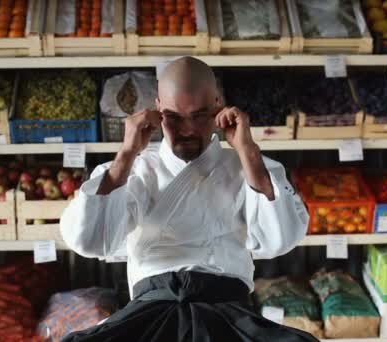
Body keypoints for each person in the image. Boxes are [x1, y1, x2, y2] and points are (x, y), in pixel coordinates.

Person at [60, 57, 316, 342]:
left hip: (227, 311)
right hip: (152, 307)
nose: (187, 130)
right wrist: (127, 153)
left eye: (200, 115)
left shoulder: (248, 165)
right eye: (175, 117)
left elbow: (281, 239)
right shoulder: (135, 169)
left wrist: (248, 150)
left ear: (219, 105)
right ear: (157, 109)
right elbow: (89, 241)